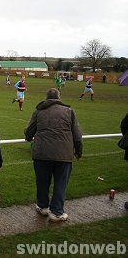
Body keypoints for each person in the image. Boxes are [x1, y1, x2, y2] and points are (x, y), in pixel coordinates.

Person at [25, 88, 82, 222]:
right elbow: (77, 135)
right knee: (60, 183)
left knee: (42, 181)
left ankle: (43, 206)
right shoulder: (69, 112)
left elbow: (29, 132)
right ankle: (56, 212)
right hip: (63, 155)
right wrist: (79, 152)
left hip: (42, 154)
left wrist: (28, 136)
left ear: (46, 98)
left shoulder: (38, 112)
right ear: (59, 98)